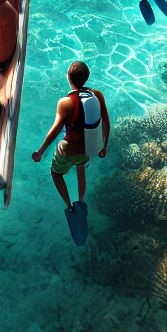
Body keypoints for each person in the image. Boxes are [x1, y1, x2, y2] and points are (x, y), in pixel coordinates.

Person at [32, 61, 110, 245]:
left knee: (56, 173)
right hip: (88, 149)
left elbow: (55, 130)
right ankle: (81, 201)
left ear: (68, 78)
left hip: (69, 150)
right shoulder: (97, 96)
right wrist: (104, 147)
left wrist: (40, 152)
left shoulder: (65, 102)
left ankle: (69, 206)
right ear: (87, 77)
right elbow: (106, 122)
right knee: (81, 166)